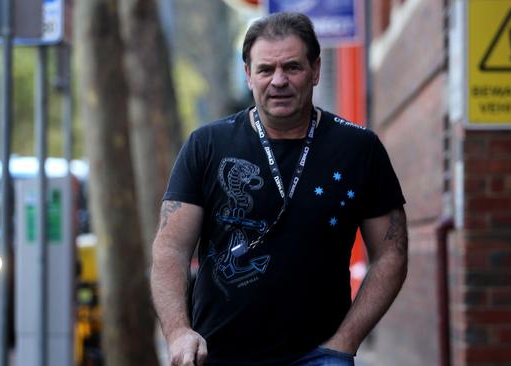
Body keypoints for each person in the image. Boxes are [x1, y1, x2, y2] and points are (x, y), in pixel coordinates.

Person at [151, 12, 408, 366]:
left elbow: (391, 253)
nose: (279, 81)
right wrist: (178, 331)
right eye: (266, 70)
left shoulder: (359, 149)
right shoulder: (206, 145)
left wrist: (344, 343)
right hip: (220, 355)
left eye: (292, 67)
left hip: (318, 356)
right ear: (248, 75)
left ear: (316, 70)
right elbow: (171, 248)